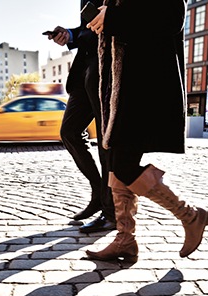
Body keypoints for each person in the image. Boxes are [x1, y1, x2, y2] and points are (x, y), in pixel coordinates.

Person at [83, 0, 208, 262]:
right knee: (116, 161)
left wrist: (117, 16)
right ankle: (125, 240)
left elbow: (172, 15)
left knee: (122, 164)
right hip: (119, 86)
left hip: (144, 83)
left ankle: (190, 215)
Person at [47, 0, 116, 234]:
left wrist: (114, 15)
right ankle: (99, 192)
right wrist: (70, 35)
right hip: (85, 71)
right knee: (69, 132)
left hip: (108, 67)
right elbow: (88, 28)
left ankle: (111, 211)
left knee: (107, 142)